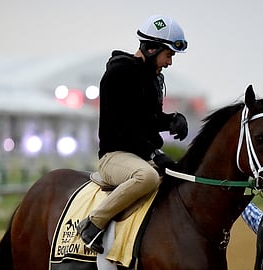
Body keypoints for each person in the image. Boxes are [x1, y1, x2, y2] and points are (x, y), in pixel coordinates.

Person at [77, 14, 189, 253]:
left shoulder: (152, 78)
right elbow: (125, 125)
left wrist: (172, 121)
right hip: (114, 157)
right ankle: (93, 224)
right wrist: (154, 152)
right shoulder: (119, 74)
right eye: (168, 55)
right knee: (147, 177)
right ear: (151, 48)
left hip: (139, 155)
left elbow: (147, 120)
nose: (170, 62)